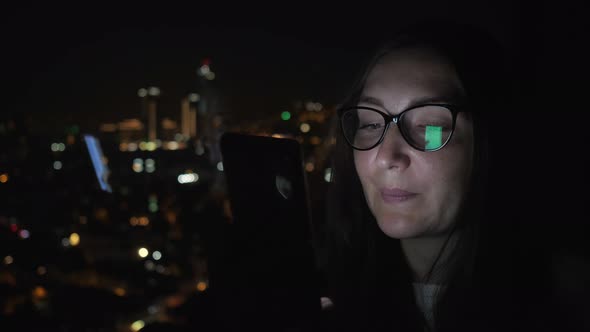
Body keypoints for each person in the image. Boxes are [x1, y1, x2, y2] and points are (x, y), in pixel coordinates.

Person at [315, 20, 570, 332]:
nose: (385, 157)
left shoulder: (568, 303)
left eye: (429, 127)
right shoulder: (327, 294)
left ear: (493, 140)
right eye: (370, 124)